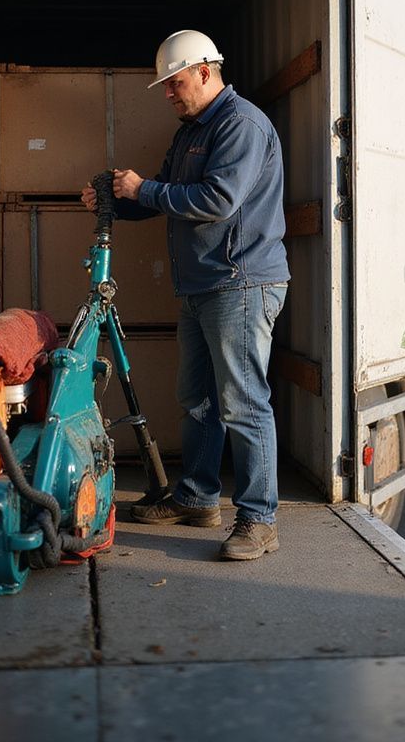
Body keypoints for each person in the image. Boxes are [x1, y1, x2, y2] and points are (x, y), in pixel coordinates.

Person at [81, 29, 290, 561]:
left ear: (203, 71)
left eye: (173, 84)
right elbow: (165, 197)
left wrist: (141, 188)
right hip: (204, 285)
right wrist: (117, 201)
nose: (168, 94)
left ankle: (259, 519)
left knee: (243, 402)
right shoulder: (192, 130)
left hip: (240, 282)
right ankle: (197, 498)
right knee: (196, 400)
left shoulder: (240, 125)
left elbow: (218, 199)